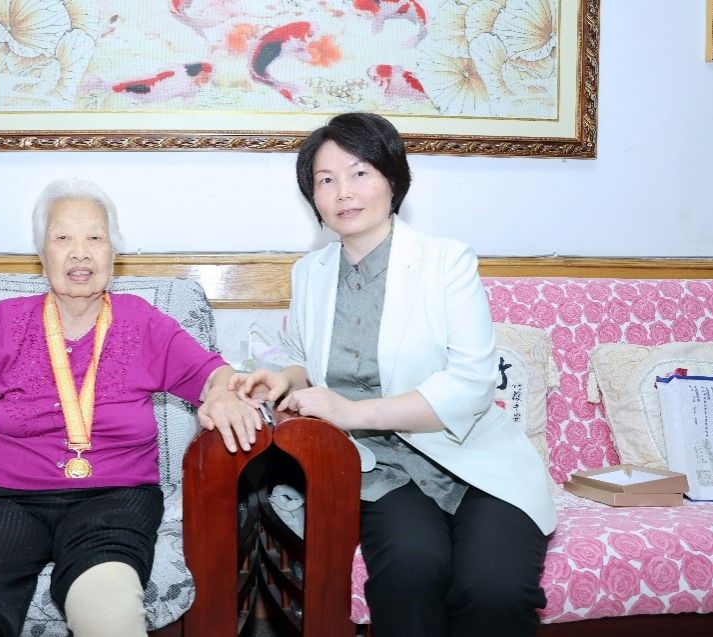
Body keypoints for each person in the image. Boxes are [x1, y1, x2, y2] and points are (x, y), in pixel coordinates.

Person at [0, 178, 263, 637]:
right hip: (8, 497)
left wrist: (221, 392)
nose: (80, 252)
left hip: (115, 496)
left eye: (95, 237)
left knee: (108, 613)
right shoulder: (6, 320)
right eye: (62, 238)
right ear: (42, 255)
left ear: (112, 253)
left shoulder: (142, 321)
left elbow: (216, 375)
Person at [232, 112, 555, 637]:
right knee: (411, 571)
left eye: (359, 173)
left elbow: (471, 385)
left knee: (493, 589)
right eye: (326, 179)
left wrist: (352, 411)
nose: (343, 192)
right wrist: (285, 378)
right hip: (378, 467)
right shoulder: (310, 272)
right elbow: (302, 355)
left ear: (392, 178)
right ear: (312, 196)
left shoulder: (447, 261)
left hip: (472, 457)